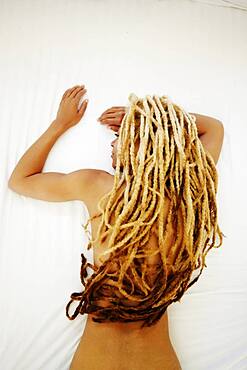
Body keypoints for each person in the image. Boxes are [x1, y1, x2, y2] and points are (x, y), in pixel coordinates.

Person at [8, 85, 225, 370]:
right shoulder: (186, 199)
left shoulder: (97, 187)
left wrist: (60, 124)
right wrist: (148, 118)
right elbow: (214, 129)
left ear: (145, 142)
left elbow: (21, 180)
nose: (111, 144)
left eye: (120, 136)